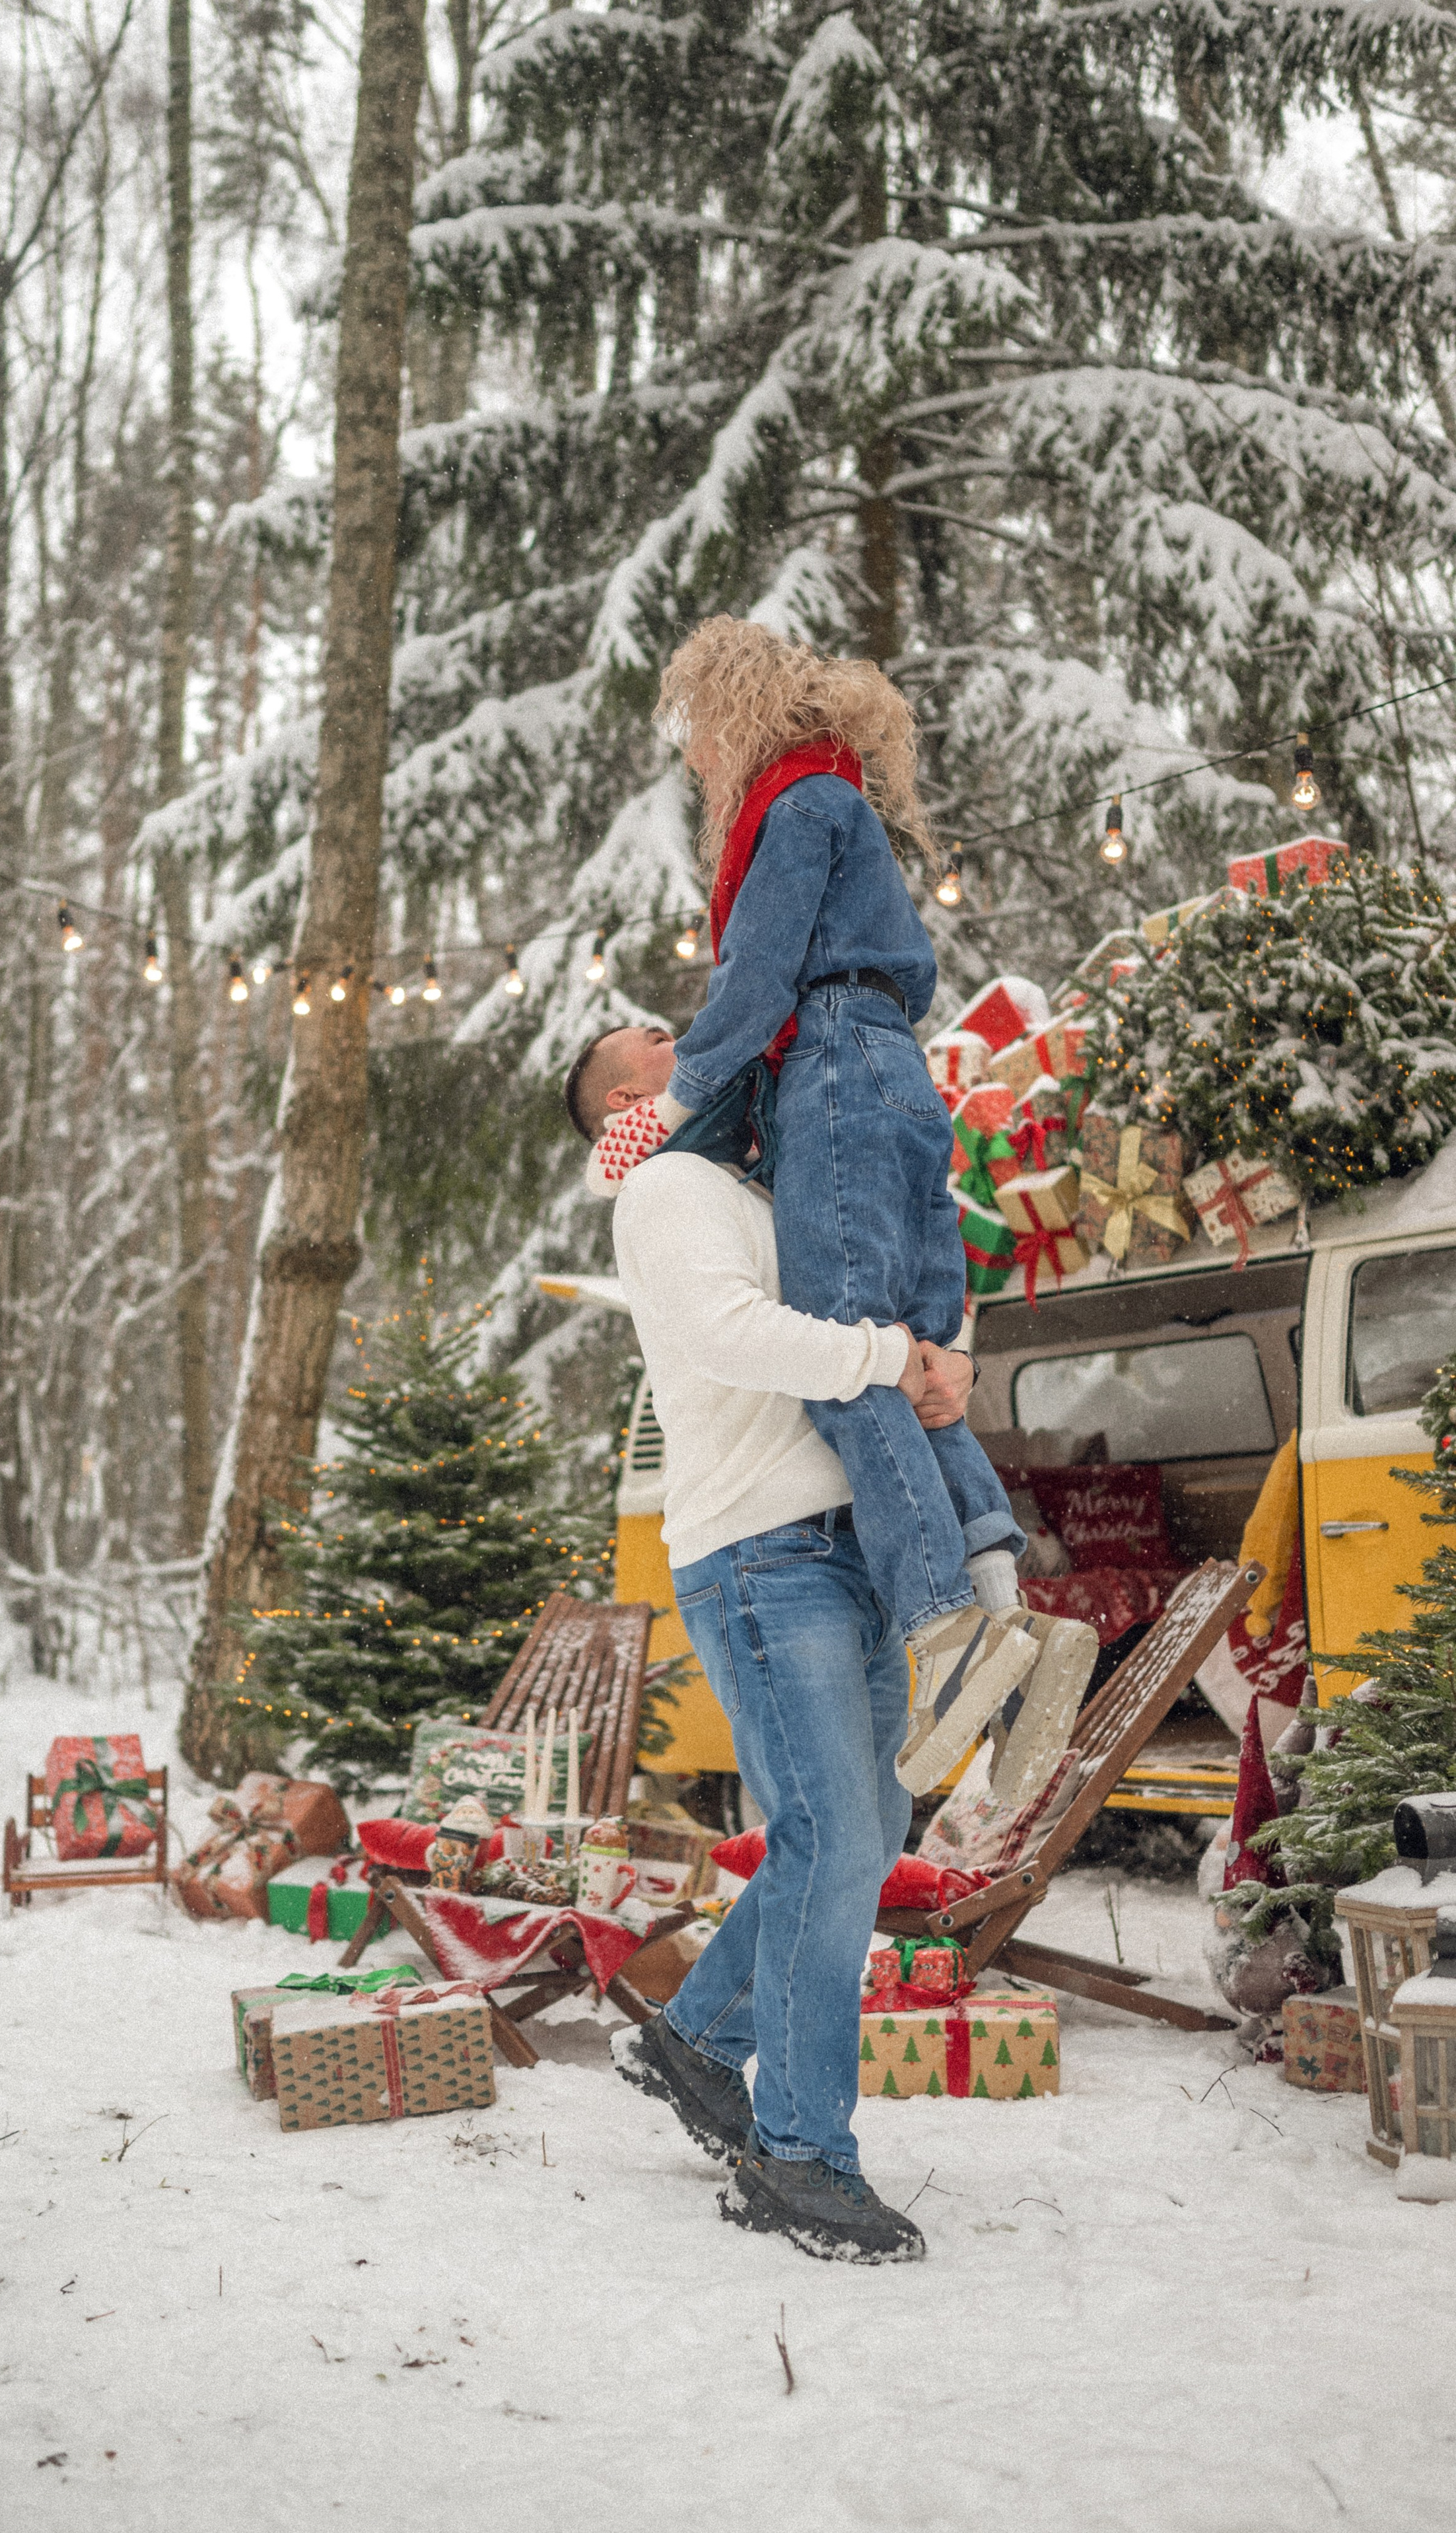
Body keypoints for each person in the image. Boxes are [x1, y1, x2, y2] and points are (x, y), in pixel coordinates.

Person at [568, 618, 1037, 1787]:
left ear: (737, 715)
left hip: (832, 1065)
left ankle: (948, 1623)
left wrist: (665, 1109)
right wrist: (633, 1144)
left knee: (851, 1343)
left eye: (700, 743)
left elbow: (759, 981)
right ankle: (996, 1590)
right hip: (895, 1071)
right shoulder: (846, 807)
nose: (699, 772)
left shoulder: (795, 807)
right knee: (919, 1348)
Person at [597, 1129, 967, 2260]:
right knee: (831, 1836)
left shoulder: (778, 1179)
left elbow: (897, 1312)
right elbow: (728, 1330)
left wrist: (945, 1360)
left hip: (853, 1546)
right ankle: (800, 2159)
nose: (697, 1038)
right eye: (660, 1042)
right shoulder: (669, 1187)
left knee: (872, 1827)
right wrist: (886, 1355)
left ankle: (700, 2043)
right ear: (626, 1098)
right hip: (764, 1554)